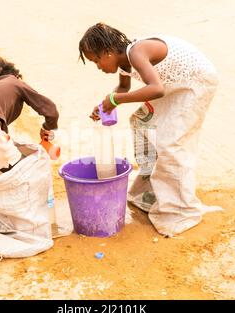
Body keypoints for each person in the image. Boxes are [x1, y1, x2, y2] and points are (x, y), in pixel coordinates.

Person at [79, 23, 222, 237]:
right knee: (142, 123)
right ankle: (150, 194)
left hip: (196, 82)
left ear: (108, 52)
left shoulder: (136, 52)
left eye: (97, 60)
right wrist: (105, 103)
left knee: (169, 142)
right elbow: (124, 88)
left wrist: (115, 100)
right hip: (174, 84)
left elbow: (155, 88)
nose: (98, 66)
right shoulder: (124, 61)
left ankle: (179, 210)